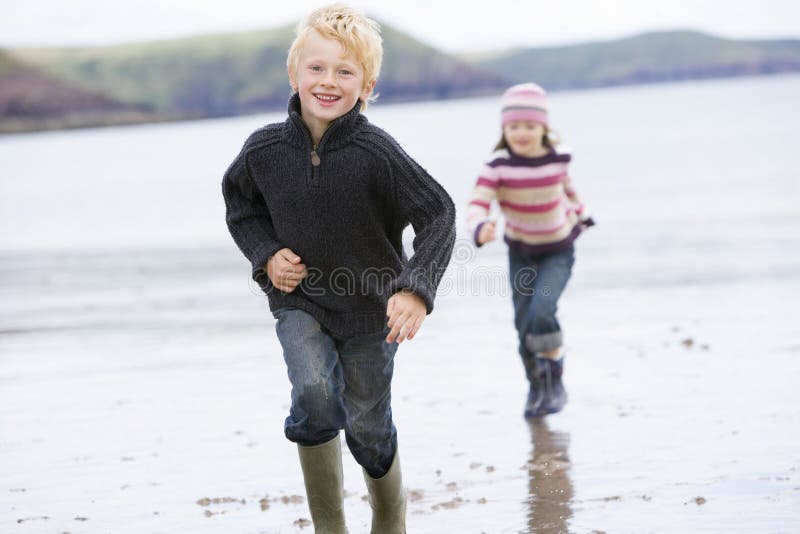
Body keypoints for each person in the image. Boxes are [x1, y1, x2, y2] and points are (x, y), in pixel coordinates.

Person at [222, 4, 455, 533]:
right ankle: (331, 527)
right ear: (294, 73)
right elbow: (241, 206)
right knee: (315, 397)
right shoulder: (263, 149)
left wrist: (415, 288)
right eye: (317, 68)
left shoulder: (377, 153)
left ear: (367, 84)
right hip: (299, 299)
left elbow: (438, 212)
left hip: (373, 312)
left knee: (369, 429)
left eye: (345, 71)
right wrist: (265, 253)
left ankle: (390, 518)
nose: (329, 82)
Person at [466, 82, 594, 419]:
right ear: (504, 129)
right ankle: (536, 386)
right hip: (521, 253)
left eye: (530, 126)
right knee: (523, 325)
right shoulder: (498, 166)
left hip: (557, 251)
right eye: (514, 126)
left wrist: (583, 215)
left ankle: (555, 379)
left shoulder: (558, 159)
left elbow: (568, 190)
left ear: (544, 128)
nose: (521, 133)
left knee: (541, 310)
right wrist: (481, 227)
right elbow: (478, 203)